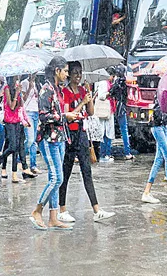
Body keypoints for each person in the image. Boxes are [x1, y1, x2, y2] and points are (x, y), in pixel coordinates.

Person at [58, 61, 115, 223]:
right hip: (70, 134)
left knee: (87, 172)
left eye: (80, 72)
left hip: (82, 134)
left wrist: (88, 98)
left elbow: (91, 112)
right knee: (66, 172)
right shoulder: (65, 92)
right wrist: (82, 102)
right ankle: (62, 209)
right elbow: (67, 115)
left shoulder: (83, 90)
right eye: (75, 72)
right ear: (69, 74)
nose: (78, 76)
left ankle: (96, 210)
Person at [29, 56, 71, 231]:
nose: (67, 75)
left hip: (59, 138)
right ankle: (37, 210)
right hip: (48, 139)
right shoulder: (46, 89)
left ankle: (53, 218)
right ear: (57, 70)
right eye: (66, 71)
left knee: (56, 178)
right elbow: (44, 115)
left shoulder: (58, 90)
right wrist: (64, 117)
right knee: (57, 178)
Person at [0, 75, 34, 182]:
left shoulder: (16, 87)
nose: (17, 79)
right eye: (15, 78)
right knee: (13, 146)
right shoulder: (6, 89)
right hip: (9, 121)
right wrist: (16, 93)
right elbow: (11, 106)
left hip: (17, 120)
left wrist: (27, 89)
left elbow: (21, 103)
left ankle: (14, 175)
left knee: (17, 147)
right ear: (11, 78)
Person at [142, 95, 167, 205]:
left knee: (158, 159)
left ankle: (147, 192)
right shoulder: (162, 92)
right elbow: (158, 113)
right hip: (158, 127)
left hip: (163, 126)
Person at [109, 65, 134, 160]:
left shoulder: (117, 82)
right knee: (124, 129)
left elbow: (111, 92)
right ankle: (127, 152)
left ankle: (127, 152)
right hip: (123, 106)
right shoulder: (126, 82)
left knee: (121, 129)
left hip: (117, 107)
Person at [22, 73, 41, 174]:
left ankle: (33, 165)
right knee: (29, 139)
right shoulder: (24, 83)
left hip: (36, 112)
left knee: (33, 141)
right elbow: (23, 99)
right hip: (28, 112)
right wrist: (29, 87)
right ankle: (20, 159)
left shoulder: (38, 84)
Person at [97, 76, 116, 162]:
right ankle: (104, 154)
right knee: (104, 133)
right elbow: (101, 96)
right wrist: (109, 93)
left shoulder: (109, 83)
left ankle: (107, 153)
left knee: (109, 133)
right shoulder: (103, 83)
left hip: (109, 111)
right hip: (104, 110)